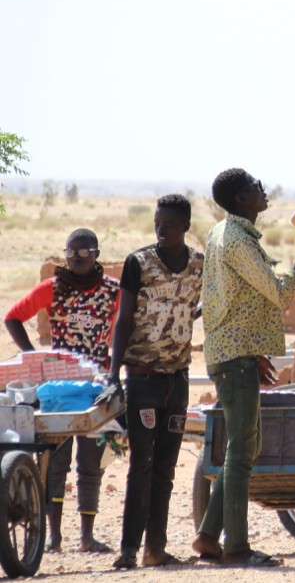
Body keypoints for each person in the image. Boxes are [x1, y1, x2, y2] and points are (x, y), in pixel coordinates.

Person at [193, 169, 295, 566]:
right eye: (254, 188)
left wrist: (255, 350)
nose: (262, 190)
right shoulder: (236, 242)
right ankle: (237, 548)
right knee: (241, 448)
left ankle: (207, 537)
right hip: (234, 358)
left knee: (244, 445)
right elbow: (279, 292)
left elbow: (234, 301)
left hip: (234, 353)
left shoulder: (222, 234)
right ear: (240, 201)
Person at [104, 195, 205, 568]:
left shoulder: (199, 265)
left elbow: (201, 304)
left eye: (169, 225)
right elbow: (124, 320)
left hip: (177, 378)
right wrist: (114, 374)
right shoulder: (139, 263)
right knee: (140, 465)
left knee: (165, 468)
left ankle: (156, 549)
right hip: (142, 379)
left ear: (186, 227)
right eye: (157, 224)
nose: (161, 230)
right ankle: (129, 549)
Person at [5, 228, 118, 553]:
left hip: (96, 386)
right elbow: (13, 317)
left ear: (96, 254)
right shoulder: (53, 288)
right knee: (56, 462)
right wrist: (34, 357)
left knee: (91, 464)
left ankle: (86, 536)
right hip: (58, 389)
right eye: (70, 252)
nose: (76, 259)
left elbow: (127, 325)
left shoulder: (112, 291)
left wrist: (114, 368)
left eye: (84, 253)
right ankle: (53, 537)